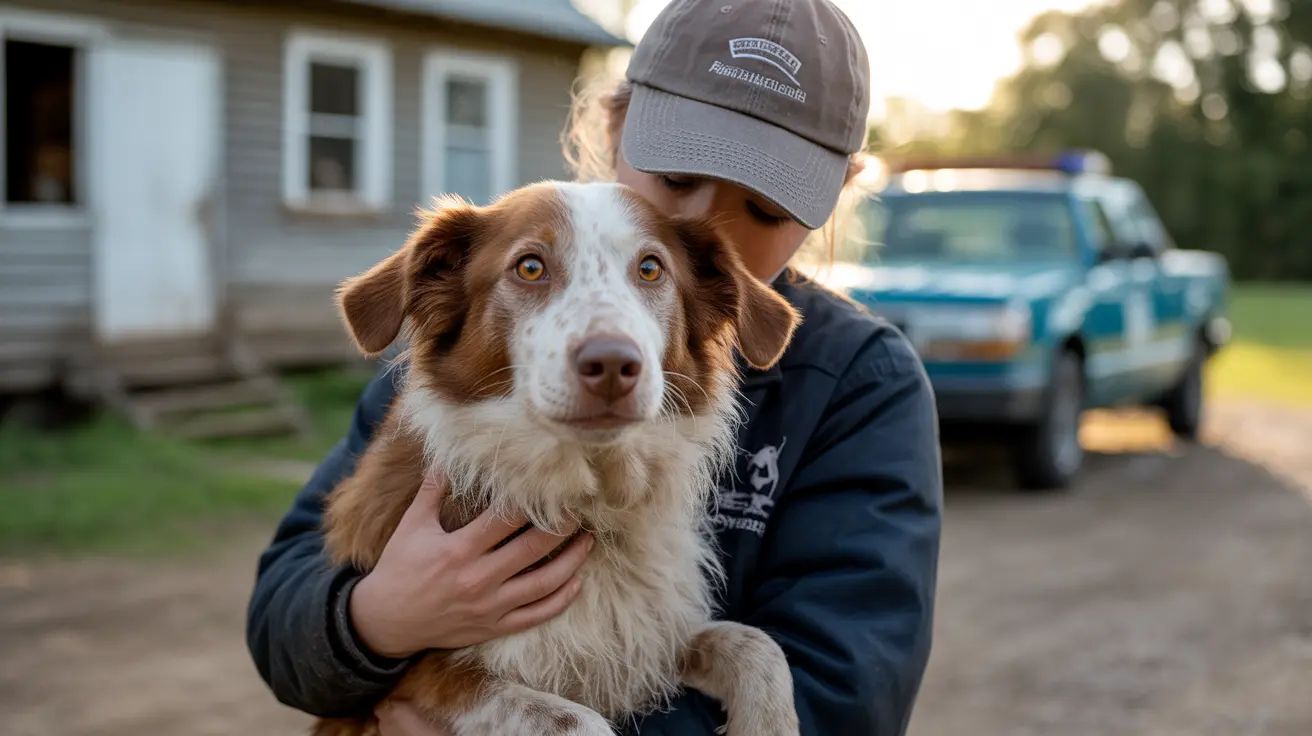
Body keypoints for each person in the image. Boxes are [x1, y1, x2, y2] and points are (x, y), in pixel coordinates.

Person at [245, 0, 943, 734]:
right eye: (675, 178)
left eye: (765, 208)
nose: (708, 222)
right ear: (615, 126)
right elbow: (282, 617)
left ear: (834, 198)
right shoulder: (455, 367)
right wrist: (377, 618)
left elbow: (845, 694)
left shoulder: (861, 384)